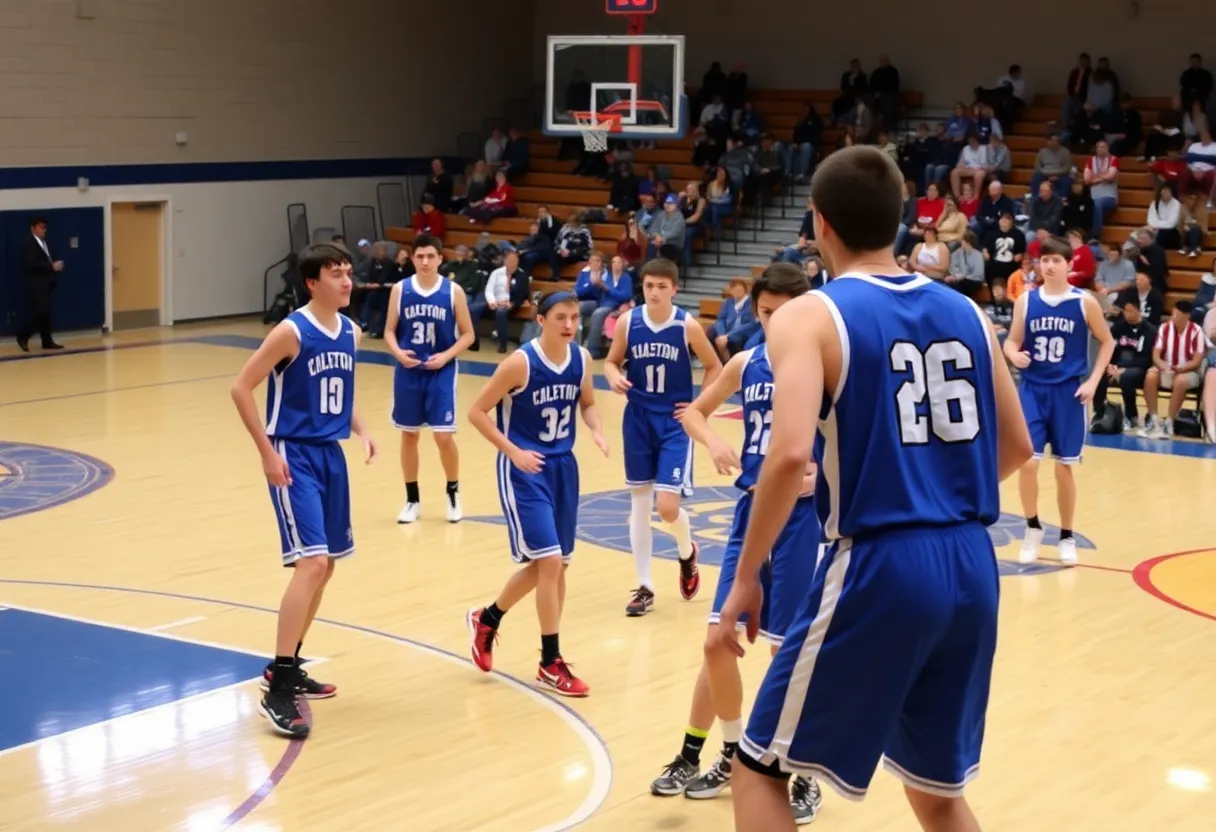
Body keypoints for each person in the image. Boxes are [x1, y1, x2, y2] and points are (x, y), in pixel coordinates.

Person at [708, 146, 1034, 832]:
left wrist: (745, 576)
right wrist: (936, 493)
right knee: (936, 791)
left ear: (819, 223)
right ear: (901, 220)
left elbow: (788, 453)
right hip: (974, 564)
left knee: (759, 767)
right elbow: (1017, 447)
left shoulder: (809, 316)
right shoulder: (970, 313)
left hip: (883, 563)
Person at [648, 263, 823, 823]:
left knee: (785, 655)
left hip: (803, 521)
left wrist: (830, 476)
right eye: (764, 312)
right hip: (752, 511)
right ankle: (728, 752)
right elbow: (693, 413)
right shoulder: (748, 363)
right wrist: (717, 444)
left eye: (781, 312)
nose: (771, 321)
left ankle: (801, 771)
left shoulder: (828, 365)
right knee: (716, 644)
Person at [229, 243, 378, 739]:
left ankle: (287, 667)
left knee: (327, 565)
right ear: (312, 282)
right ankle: (276, 689)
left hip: (330, 454)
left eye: (349, 273)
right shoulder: (292, 330)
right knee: (312, 563)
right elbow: (240, 387)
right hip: (293, 453)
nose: (346, 281)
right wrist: (266, 452)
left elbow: (341, 392)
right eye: (336, 274)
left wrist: (361, 428)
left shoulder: (352, 333)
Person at [465, 292, 608, 696]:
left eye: (575, 317)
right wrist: (513, 451)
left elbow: (589, 403)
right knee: (548, 562)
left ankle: (487, 618)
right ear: (541, 320)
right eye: (560, 317)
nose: (569, 324)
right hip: (524, 470)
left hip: (564, 468)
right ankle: (550, 662)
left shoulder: (580, 358)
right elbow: (477, 411)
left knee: (555, 566)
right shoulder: (520, 363)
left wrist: (596, 428)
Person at [603, 258, 723, 617]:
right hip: (637, 418)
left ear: (675, 288)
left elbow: (715, 365)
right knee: (639, 503)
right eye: (648, 285)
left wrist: (699, 408)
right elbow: (611, 361)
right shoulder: (628, 321)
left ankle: (687, 552)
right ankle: (645, 586)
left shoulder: (685, 325)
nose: (653, 292)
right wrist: (611, 376)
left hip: (674, 423)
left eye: (661, 286)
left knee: (667, 507)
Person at [1003, 235, 1114, 565]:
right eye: (1044, 260)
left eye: (1056, 260)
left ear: (1069, 264)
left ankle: (1066, 535)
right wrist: (1013, 355)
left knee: (1064, 468)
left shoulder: (1084, 302)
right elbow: (1011, 341)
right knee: (1028, 462)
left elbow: (1106, 342)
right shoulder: (1025, 300)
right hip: (1033, 390)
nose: (1049, 265)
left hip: (1068, 392)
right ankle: (1032, 527)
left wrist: (1093, 382)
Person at [384, 233, 476, 523]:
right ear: (412, 258)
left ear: (440, 258)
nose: (425, 261)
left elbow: (469, 334)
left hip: (441, 370)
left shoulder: (453, 292)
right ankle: (412, 500)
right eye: (420, 256)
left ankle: (453, 492)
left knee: (443, 436)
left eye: (430, 256)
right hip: (409, 370)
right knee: (409, 434)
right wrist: (398, 352)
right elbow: (388, 331)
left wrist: (446, 356)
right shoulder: (400, 289)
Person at [16, 216, 65, 352]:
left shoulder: (43, 242)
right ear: (33, 228)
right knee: (41, 312)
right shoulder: (28, 243)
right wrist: (51, 266)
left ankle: (47, 341)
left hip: (46, 283)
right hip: (36, 284)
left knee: (46, 314)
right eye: (41, 227)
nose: (44, 230)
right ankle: (22, 335)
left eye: (45, 227)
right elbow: (31, 264)